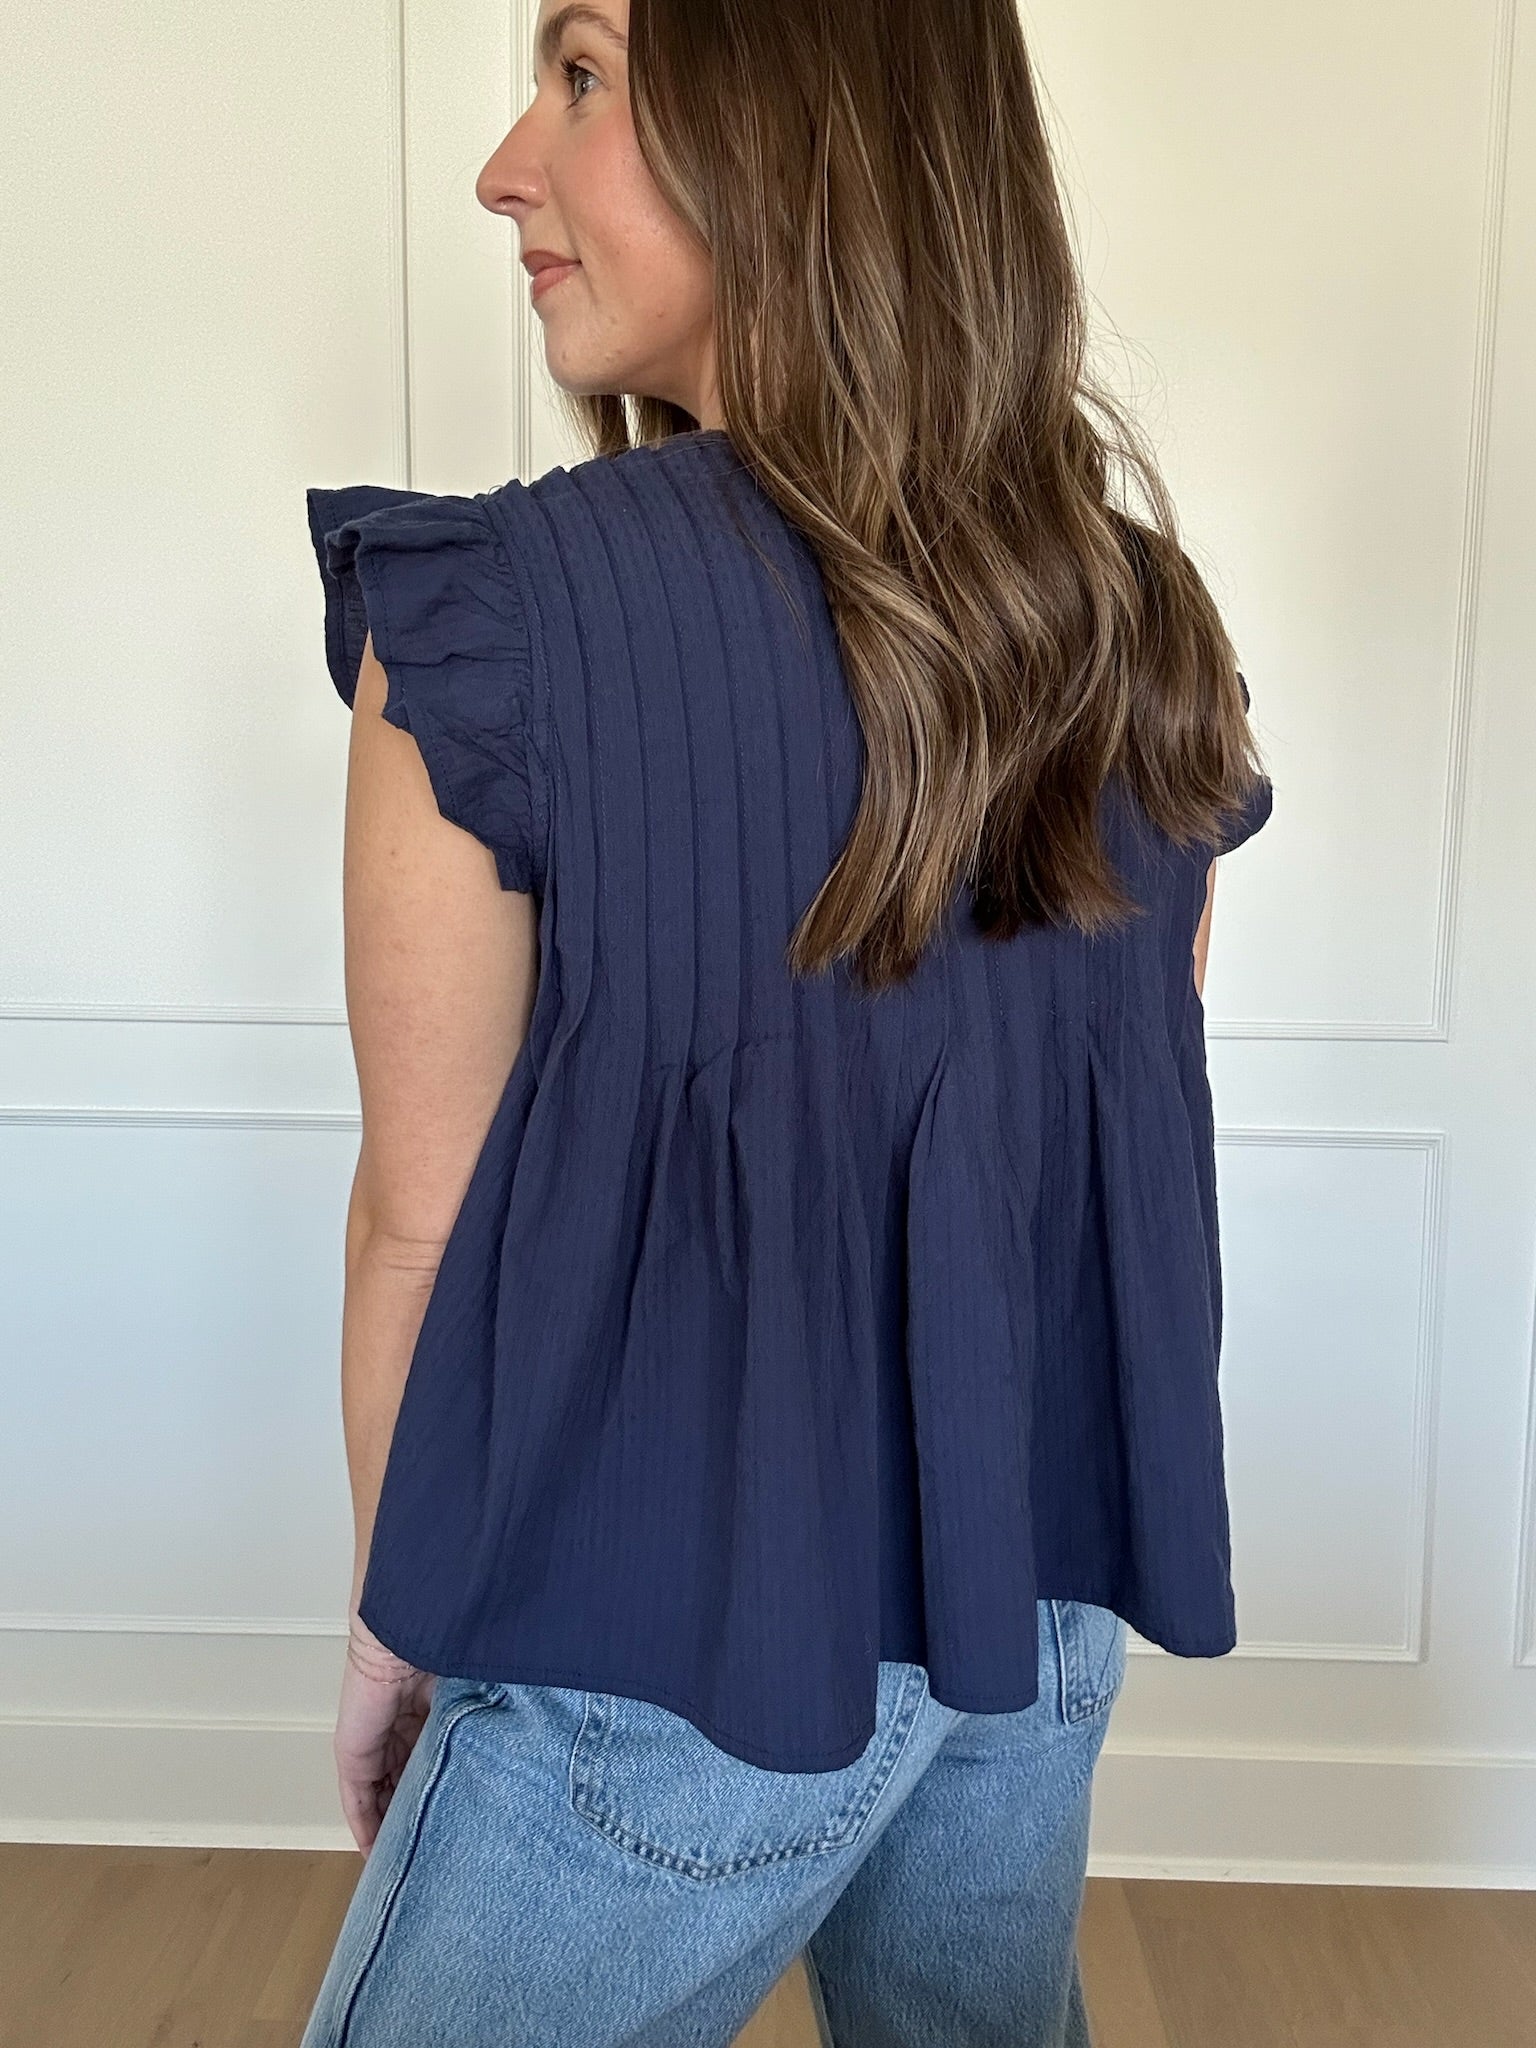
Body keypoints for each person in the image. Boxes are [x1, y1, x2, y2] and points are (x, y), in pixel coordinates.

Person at [297, 0, 1274, 2041]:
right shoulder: (1139, 617)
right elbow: (1097, 1140)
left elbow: (426, 1225)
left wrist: (405, 1623)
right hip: (1025, 1622)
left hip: (655, 1655)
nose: (505, 168)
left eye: (581, 73)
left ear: (797, 121)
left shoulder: (493, 622)